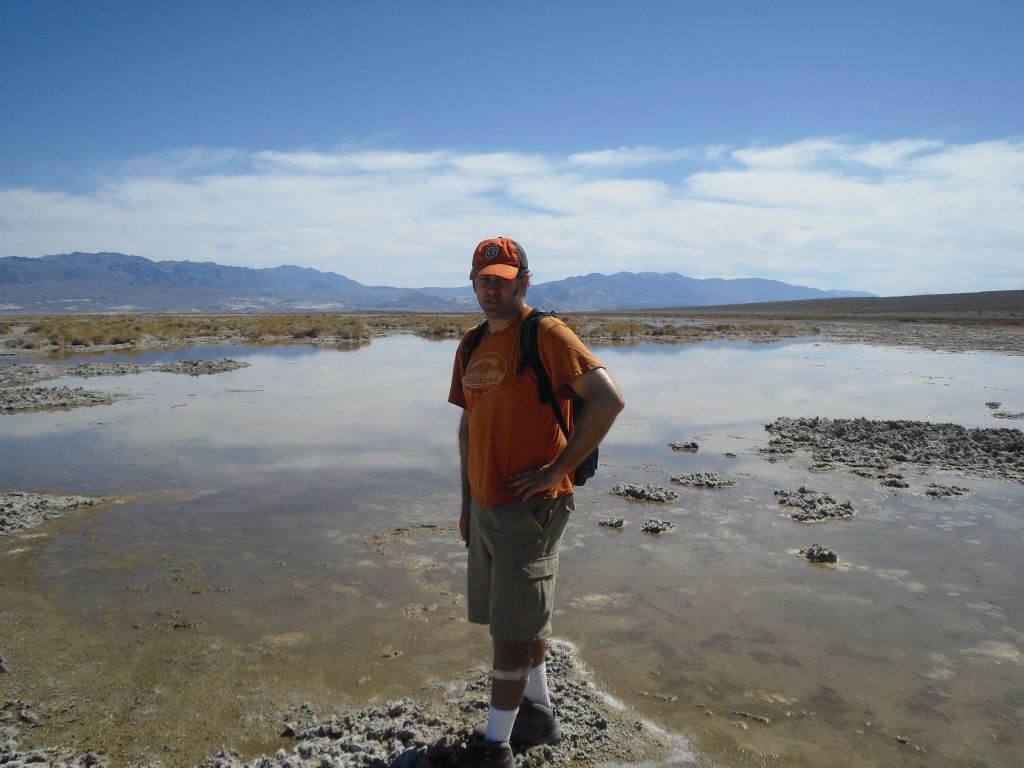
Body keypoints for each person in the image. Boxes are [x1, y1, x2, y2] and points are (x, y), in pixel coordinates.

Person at [448, 237, 625, 767]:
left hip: (532, 506)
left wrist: (556, 469)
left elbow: (607, 399)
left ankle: (495, 746)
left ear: (523, 282)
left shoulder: (544, 334)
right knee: (524, 616)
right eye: (484, 280)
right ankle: (538, 713)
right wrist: (465, 502)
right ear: (473, 284)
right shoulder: (472, 343)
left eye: (502, 279)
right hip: (487, 503)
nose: (492, 288)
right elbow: (468, 425)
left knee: (510, 627)